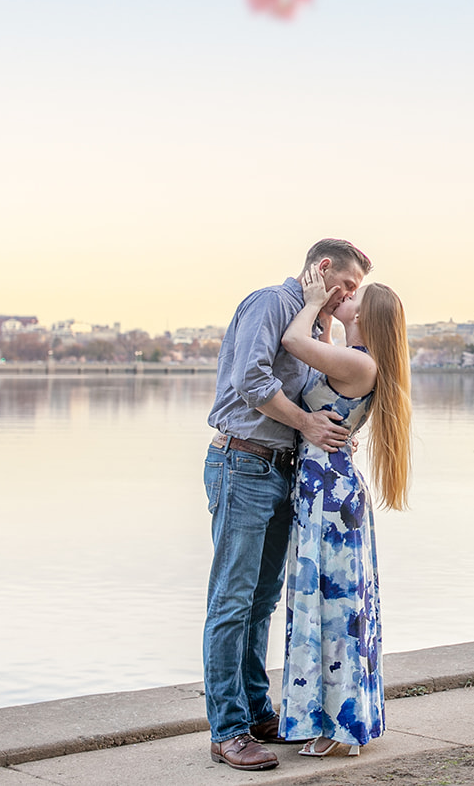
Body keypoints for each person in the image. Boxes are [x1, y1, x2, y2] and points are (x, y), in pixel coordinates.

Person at [201, 239, 372, 772]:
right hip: (242, 462)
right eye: (345, 285)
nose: (348, 297)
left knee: (263, 599)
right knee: (232, 600)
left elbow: (316, 393)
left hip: (283, 470)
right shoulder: (270, 304)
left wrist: (336, 425)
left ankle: (256, 711)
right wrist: (309, 424)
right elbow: (251, 381)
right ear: (322, 270)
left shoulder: (311, 323)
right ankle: (227, 730)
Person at [275, 264, 412, 758]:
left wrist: (312, 303)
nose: (346, 295)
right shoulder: (354, 359)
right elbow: (317, 364)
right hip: (326, 489)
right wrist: (328, 315)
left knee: (331, 607)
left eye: (355, 296)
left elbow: (294, 342)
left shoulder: (361, 364)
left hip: (328, 496)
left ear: (366, 317)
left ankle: (338, 728)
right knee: (330, 605)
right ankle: (336, 721)